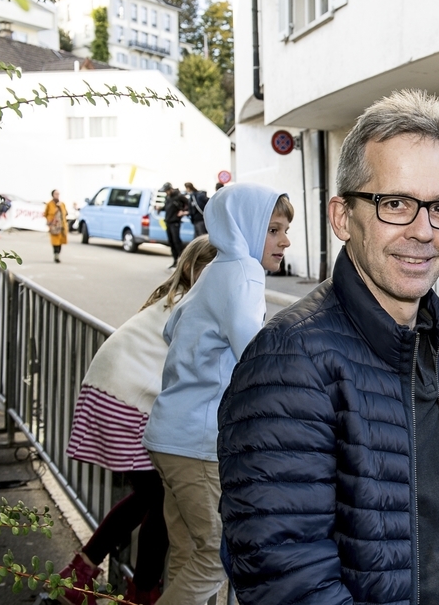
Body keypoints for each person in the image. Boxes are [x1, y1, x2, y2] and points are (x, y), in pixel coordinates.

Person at [218, 89, 439, 605]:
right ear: (343, 217)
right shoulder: (287, 362)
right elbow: (289, 583)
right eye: (396, 204)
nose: (423, 231)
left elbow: (424, 478)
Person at [142, 183, 292, 605]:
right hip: (199, 443)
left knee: (188, 552)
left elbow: (172, 329)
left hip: (170, 435)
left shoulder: (215, 268)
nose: (286, 240)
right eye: (275, 229)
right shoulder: (243, 270)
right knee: (215, 558)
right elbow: (254, 354)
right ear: (246, 227)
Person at [57, 236, 218, 605]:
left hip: (112, 396)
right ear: (197, 270)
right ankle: (140, 589)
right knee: (164, 499)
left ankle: (85, 573)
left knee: (152, 497)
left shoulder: (174, 298)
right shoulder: (197, 306)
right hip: (126, 403)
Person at [160, 182, 190, 268]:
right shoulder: (168, 197)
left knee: (176, 241)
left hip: (175, 222)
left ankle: (181, 261)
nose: (166, 193)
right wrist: (160, 208)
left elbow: (189, 204)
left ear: (170, 189)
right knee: (171, 242)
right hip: (168, 221)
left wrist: (183, 212)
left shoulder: (179, 196)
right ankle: (175, 260)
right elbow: (167, 207)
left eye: (167, 191)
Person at [45, 190, 68, 263]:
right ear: (52, 195)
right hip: (54, 226)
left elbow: (65, 213)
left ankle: (58, 253)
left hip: (61, 226)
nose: (57, 195)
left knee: (60, 242)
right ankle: (56, 255)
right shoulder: (49, 204)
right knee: (55, 242)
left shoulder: (62, 204)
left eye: (58, 194)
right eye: (56, 194)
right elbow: (46, 214)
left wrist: (60, 207)